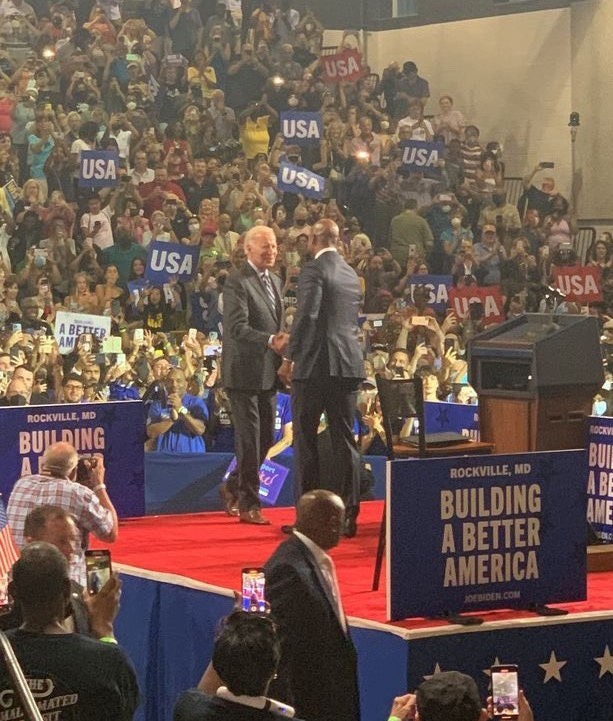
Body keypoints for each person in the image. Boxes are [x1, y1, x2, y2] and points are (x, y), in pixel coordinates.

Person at [278, 219, 363, 537]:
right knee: (345, 441)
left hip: (314, 367)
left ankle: (309, 518)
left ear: (315, 239)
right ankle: (349, 515)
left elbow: (308, 316)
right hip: (347, 365)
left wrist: (289, 358)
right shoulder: (351, 274)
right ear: (338, 241)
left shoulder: (313, 270)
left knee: (306, 441)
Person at [0, 542, 138, 721]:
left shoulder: (4, 651)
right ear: (67, 591)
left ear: (13, 592)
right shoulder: (108, 660)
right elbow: (125, 709)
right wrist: (104, 630)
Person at [263, 490, 359, 721]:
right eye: (342, 521)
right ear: (333, 523)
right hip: (311, 706)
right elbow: (281, 650)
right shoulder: (288, 569)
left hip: (331, 698)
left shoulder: (311, 559)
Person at [221, 226, 287, 525]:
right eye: (265, 247)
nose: (271, 251)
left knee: (265, 439)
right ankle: (249, 502)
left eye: (273, 246)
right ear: (248, 249)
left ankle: (234, 483)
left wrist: (283, 354)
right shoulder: (237, 283)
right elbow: (237, 328)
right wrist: (269, 340)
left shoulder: (275, 279)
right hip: (243, 373)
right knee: (249, 440)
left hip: (268, 373)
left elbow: (278, 326)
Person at [7, 442, 118, 587]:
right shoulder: (78, 493)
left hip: (20, 583)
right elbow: (110, 533)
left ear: (43, 465)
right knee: (100, 571)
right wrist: (98, 485)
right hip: (67, 587)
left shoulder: (20, 485)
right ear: (73, 472)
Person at [0, 505, 119, 639]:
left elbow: (96, 650)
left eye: (73, 540)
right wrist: (105, 630)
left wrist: (100, 618)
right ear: (32, 543)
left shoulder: (82, 598)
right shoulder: (9, 608)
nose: (71, 549)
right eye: (61, 541)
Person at [174, 610, 305, 721]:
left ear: (220, 666)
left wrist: (230, 635)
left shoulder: (188, 708)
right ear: (273, 672)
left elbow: (201, 695)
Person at [147, 367, 208, 452]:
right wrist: (171, 420)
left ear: (186, 384)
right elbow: (150, 432)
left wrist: (181, 409)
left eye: (179, 381)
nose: (174, 384)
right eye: (170, 381)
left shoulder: (196, 402)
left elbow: (200, 430)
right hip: (165, 458)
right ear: (165, 383)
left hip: (191, 457)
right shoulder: (158, 404)